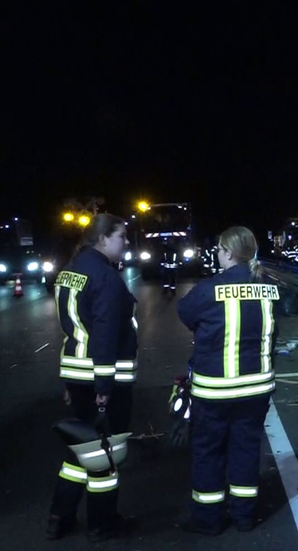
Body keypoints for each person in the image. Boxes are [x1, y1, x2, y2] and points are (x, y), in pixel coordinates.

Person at [177, 226, 276, 535]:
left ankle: (209, 520)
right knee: (246, 450)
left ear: (229, 253)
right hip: (257, 388)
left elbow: (185, 313)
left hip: (214, 390)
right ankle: (244, 516)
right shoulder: (269, 287)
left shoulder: (208, 290)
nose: (217, 254)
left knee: (209, 452)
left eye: (219, 249)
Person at [47, 213, 139, 543]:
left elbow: (72, 330)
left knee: (80, 450)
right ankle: (103, 523)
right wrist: (104, 386)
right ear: (102, 239)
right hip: (102, 378)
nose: (126, 242)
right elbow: (104, 334)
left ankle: (60, 516)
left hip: (76, 372)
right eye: (121, 236)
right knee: (106, 454)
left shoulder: (70, 272)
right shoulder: (106, 278)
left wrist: (69, 383)